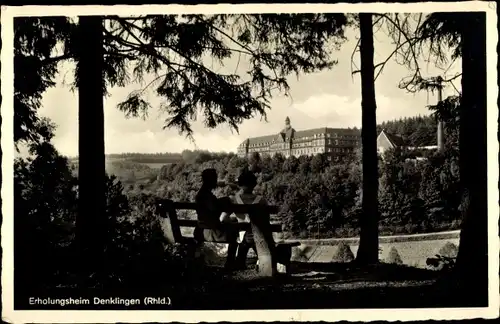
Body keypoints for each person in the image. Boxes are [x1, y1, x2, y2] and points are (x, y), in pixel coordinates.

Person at [221, 169, 273, 269]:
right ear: (254, 184)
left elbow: (222, 219)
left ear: (240, 184)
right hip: (259, 235)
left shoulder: (234, 200)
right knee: (254, 237)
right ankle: (261, 262)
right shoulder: (262, 201)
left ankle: (239, 262)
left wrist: (234, 221)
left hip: (243, 235)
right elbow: (266, 221)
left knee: (244, 239)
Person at [194, 168, 239, 269]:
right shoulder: (206, 195)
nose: (216, 181)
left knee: (232, 227)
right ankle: (230, 264)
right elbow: (214, 208)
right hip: (211, 231)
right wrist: (225, 202)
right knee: (233, 233)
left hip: (200, 230)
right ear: (212, 180)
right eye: (215, 179)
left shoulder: (201, 194)